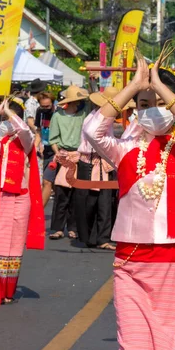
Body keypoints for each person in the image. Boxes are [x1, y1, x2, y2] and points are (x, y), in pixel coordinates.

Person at [83, 51, 175, 350]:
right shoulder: (123, 150)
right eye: (144, 106)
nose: (152, 110)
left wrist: (160, 86)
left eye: (159, 103)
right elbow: (91, 131)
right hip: (130, 260)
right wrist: (133, 87)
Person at [0, 97, 45, 304]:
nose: (5, 121)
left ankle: (9, 289)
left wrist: (10, 114)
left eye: (8, 116)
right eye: (3, 117)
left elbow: (23, 130)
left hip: (21, 194)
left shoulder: (25, 138)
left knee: (15, 245)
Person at [72, 88, 118, 250]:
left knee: (104, 201)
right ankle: (90, 235)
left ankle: (102, 237)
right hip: (90, 161)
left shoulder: (103, 118)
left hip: (102, 162)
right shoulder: (94, 118)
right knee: (89, 201)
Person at [48, 85, 89, 240]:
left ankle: (73, 227)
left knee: (77, 194)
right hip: (64, 155)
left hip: (79, 155)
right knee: (61, 193)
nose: (79, 103)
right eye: (77, 101)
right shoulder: (58, 116)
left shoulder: (83, 115)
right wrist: (57, 152)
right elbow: (53, 138)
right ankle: (57, 228)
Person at [33, 92, 56, 206]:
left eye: (48, 106)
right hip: (45, 150)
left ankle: (39, 211)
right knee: (48, 182)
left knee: (47, 181)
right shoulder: (39, 112)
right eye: (43, 106)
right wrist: (36, 145)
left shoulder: (57, 112)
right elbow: (38, 130)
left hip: (56, 150)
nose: (45, 108)